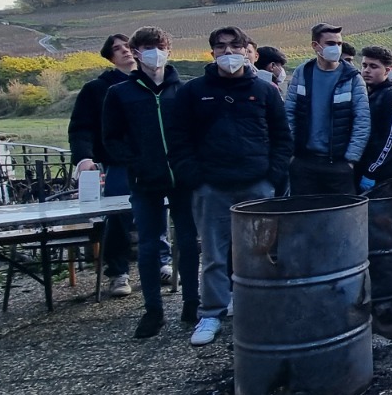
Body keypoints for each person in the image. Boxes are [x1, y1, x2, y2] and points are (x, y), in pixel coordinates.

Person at [168, 26, 292, 347]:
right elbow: (179, 140)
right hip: (211, 186)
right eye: (220, 47)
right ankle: (211, 313)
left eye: (234, 46)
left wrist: (273, 175)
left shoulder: (265, 91)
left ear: (247, 50)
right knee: (213, 253)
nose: (227, 52)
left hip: (257, 184)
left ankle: (261, 307)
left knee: (262, 250)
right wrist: (194, 177)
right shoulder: (193, 92)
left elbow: (281, 136)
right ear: (211, 53)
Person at [102, 26, 201, 339]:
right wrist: (136, 161)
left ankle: (192, 303)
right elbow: (111, 138)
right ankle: (153, 310)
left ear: (168, 50)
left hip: (182, 178)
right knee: (148, 244)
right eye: (145, 47)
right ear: (136, 52)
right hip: (144, 180)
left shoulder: (184, 91)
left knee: (188, 242)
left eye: (158, 46)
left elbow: (194, 133)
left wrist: (190, 164)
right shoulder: (119, 94)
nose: (153, 53)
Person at [67, 33, 143, 297]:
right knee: (118, 217)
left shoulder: (155, 82)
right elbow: (81, 128)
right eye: (117, 49)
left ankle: (162, 263)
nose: (125, 51)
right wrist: (84, 158)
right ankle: (118, 272)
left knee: (159, 216)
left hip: (154, 162)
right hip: (118, 162)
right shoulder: (97, 89)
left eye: (128, 47)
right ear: (110, 57)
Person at [283, 23, 370, 195]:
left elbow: (362, 120)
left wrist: (350, 160)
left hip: (338, 164)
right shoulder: (303, 72)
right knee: (304, 215)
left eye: (339, 44)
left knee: (340, 218)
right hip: (305, 162)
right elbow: (289, 113)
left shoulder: (352, 77)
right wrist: (293, 154)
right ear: (316, 46)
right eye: (331, 43)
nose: (336, 48)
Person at [355, 45, 392, 191]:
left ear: (387, 70)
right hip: (366, 170)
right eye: (364, 65)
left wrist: (371, 171)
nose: (367, 70)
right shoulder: (368, 94)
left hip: (388, 175)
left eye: (374, 66)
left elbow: (391, 138)